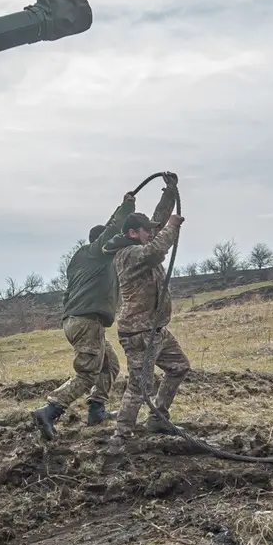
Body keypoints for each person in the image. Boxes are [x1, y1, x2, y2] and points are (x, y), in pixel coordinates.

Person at [30, 188, 140, 439]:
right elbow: (113, 230)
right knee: (88, 373)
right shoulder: (96, 254)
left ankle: (96, 410)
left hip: (78, 321)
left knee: (109, 364)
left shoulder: (81, 262)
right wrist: (127, 207)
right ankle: (50, 410)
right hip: (86, 322)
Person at [108, 181, 187, 434]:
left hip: (156, 330)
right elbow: (157, 247)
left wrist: (170, 194)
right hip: (139, 333)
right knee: (140, 384)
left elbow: (157, 224)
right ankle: (122, 433)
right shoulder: (128, 255)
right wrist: (173, 227)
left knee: (179, 367)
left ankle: (158, 419)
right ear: (133, 233)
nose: (151, 234)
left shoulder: (140, 245)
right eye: (146, 232)